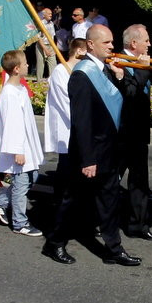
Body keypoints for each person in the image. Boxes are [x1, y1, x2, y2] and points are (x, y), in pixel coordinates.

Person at [42, 25, 141, 266]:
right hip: (89, 154)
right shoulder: (81, 74)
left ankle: (114, 249)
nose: (111, 46)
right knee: (72, 201)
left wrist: (120, 77)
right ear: (91, 45)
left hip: (109, 151)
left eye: (111, 42)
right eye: (106, 42)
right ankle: (54, 243)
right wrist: (88, 159)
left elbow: (122, 101)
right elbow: (81, 121)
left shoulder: (107, 70)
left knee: (109, 200)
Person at [0, 50, 44, 237]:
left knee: (32, 178)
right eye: (26, 63)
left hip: (27, 144)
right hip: (19, 148)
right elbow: (12, 124)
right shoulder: (9, 94)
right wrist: (17, 150)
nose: (29, 65)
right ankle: (20, 222)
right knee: (21, 185)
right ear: (17, 68)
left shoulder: (19, 89)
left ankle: (1, 201)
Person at [119, 24, 152, 241]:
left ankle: (138, 225)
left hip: (137, 132)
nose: (149, 44)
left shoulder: (140, 62)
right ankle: (96, 219)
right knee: (108, 182)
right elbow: (130, 92)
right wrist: (143, 70)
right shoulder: (119, 62)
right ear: (134, 43)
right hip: (121, 133)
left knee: (139, 182)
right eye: (146, 40)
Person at [44, 38, 87, 201]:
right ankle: (60, 201)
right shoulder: (60, 71)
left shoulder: (79, 71)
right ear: (79, 51)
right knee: (66, 166)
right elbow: (65, 101)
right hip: (66, 126)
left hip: (78, 126)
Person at [36, 8, 57, 80]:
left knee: (53, 64)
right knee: (40, 64)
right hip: (41, 45)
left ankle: (53, 81)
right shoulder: (40, 23)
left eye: (51, 13)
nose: (51, 15)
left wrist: (54, 47)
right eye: (49, 13)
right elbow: (38, 38)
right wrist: (45, 49)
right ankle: (39, 82)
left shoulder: (51, 24)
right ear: (44, 15)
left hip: (50, 45)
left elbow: (53, 36)